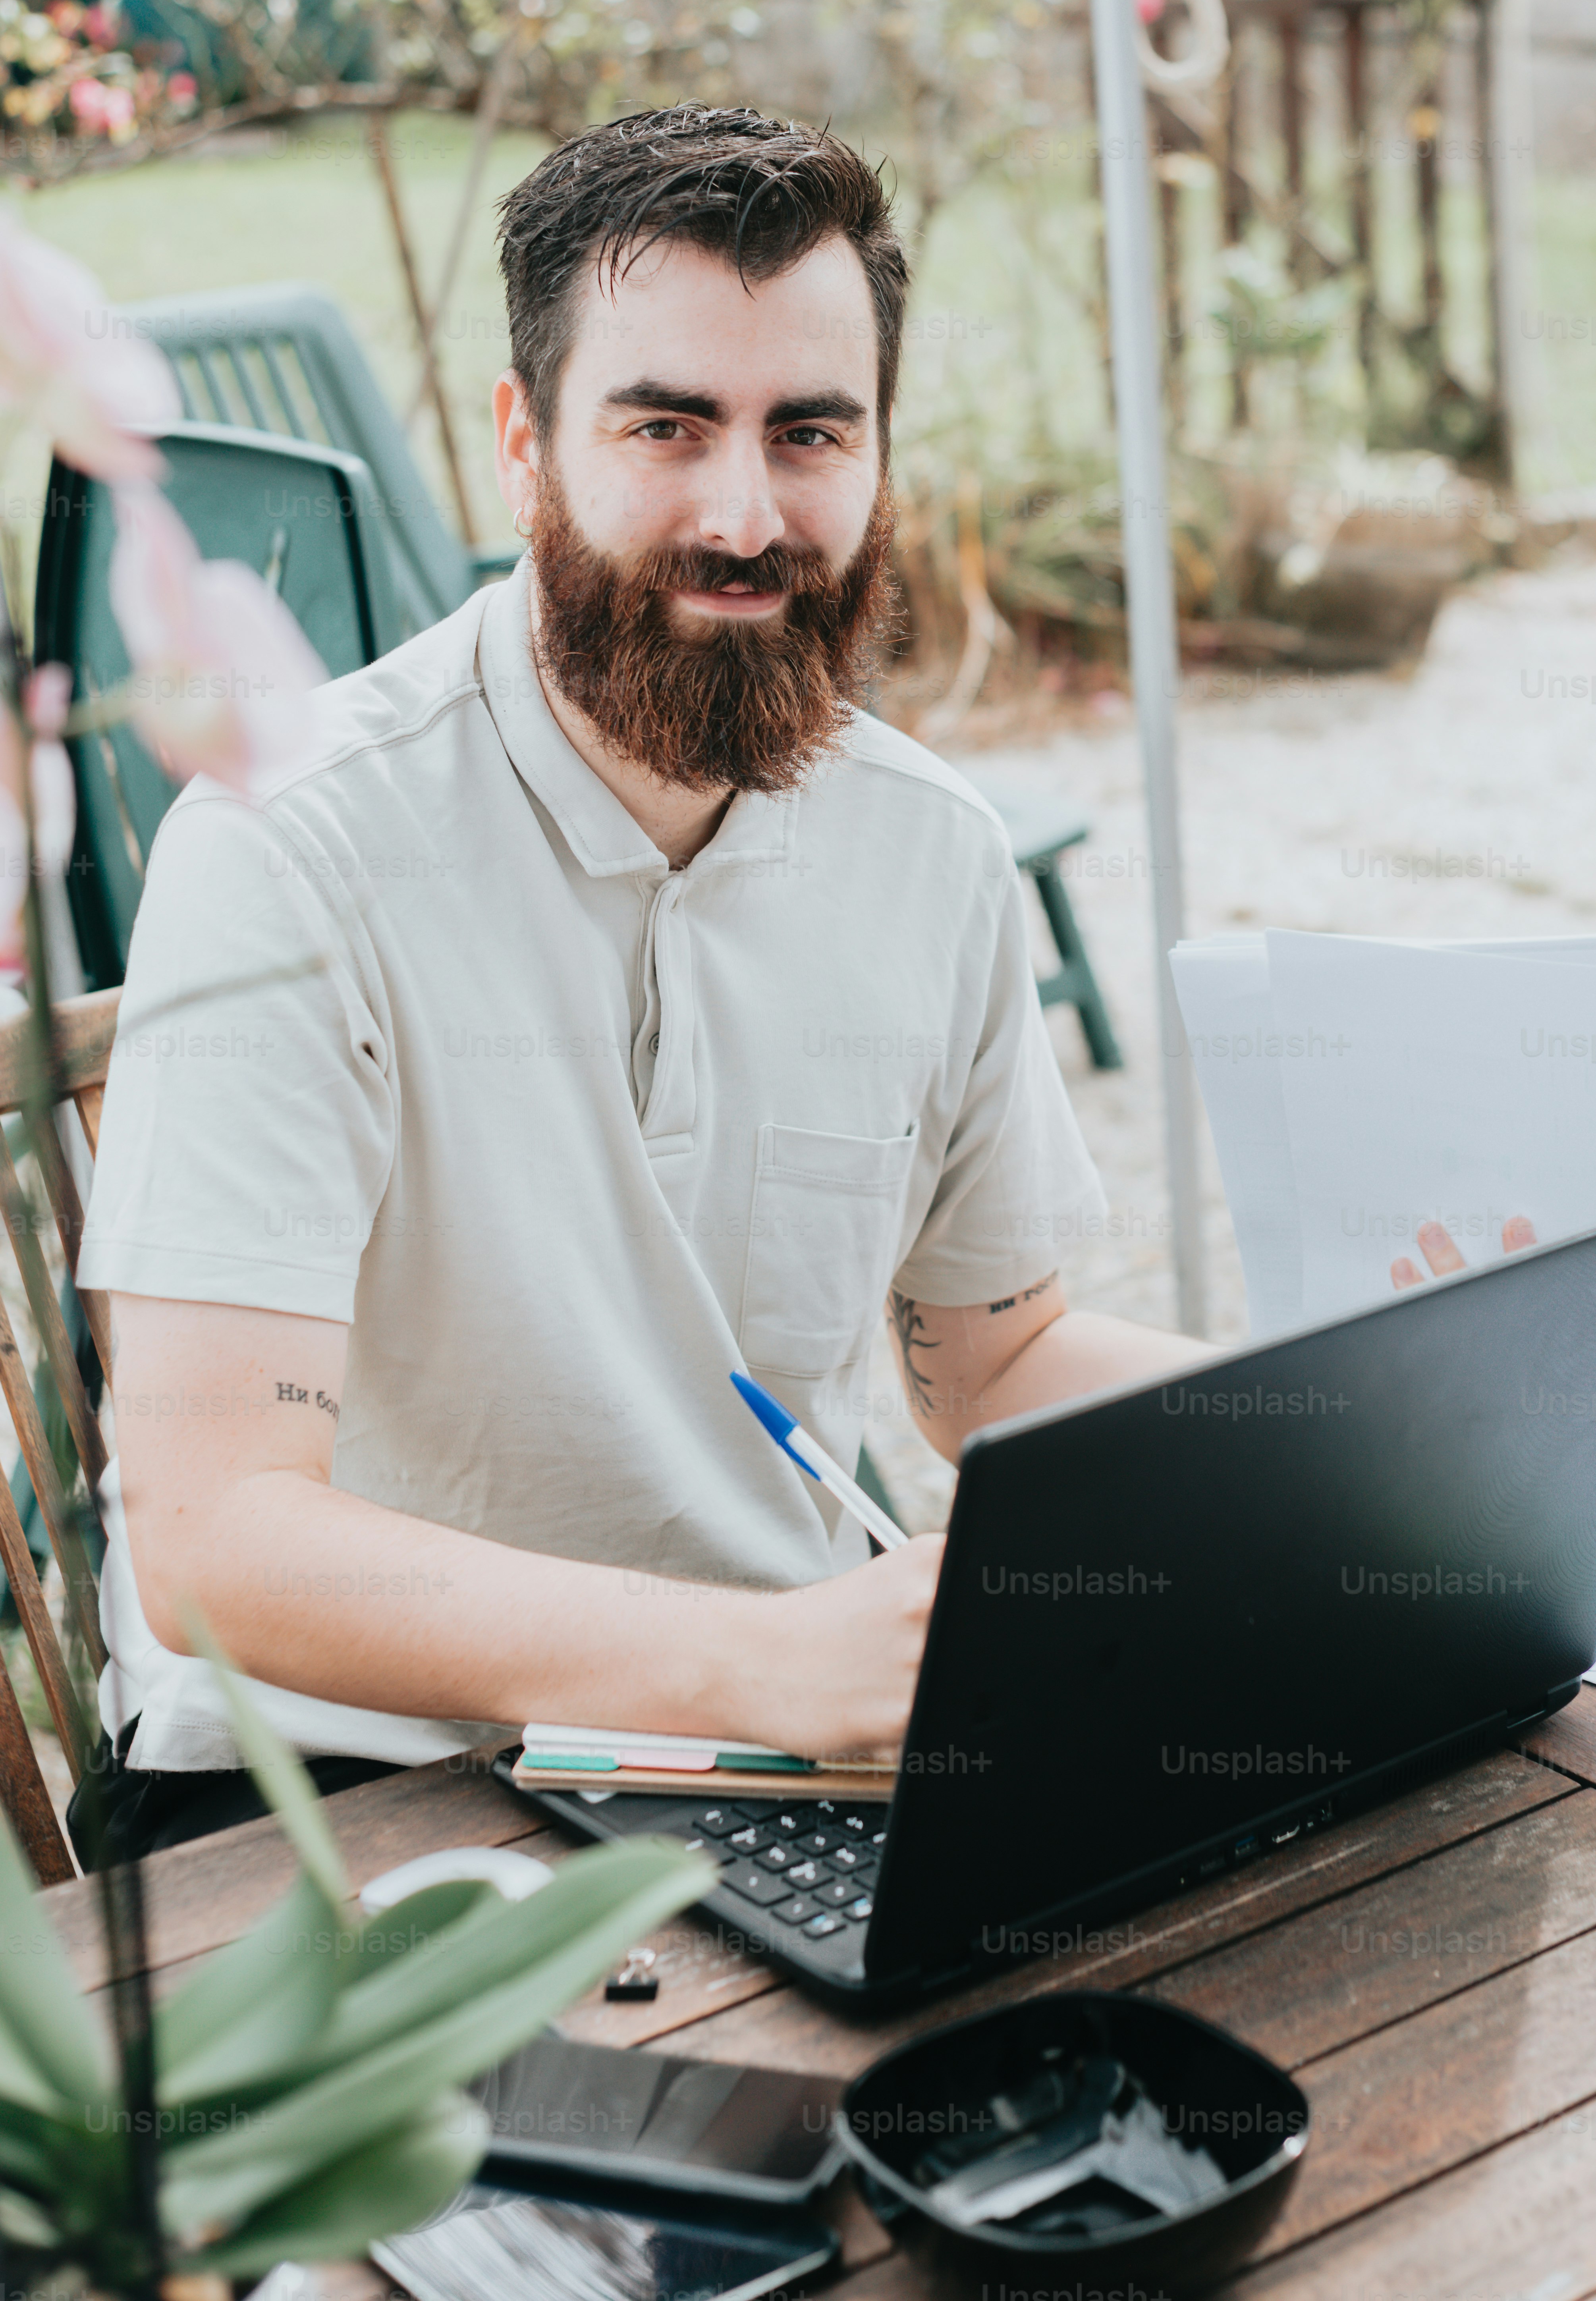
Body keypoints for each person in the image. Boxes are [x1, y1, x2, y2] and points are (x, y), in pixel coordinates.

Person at [69, 105, 1214, 1865]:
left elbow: (996, 1363)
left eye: (811, 431)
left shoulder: (932, 850)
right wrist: (760, 1657)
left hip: (785, 1768)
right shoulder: (288, 850)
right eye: (667, 427)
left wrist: (1342, 1456)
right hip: (338, 1795)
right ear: (524, 446)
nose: (745, 515)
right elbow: (220, 1537)